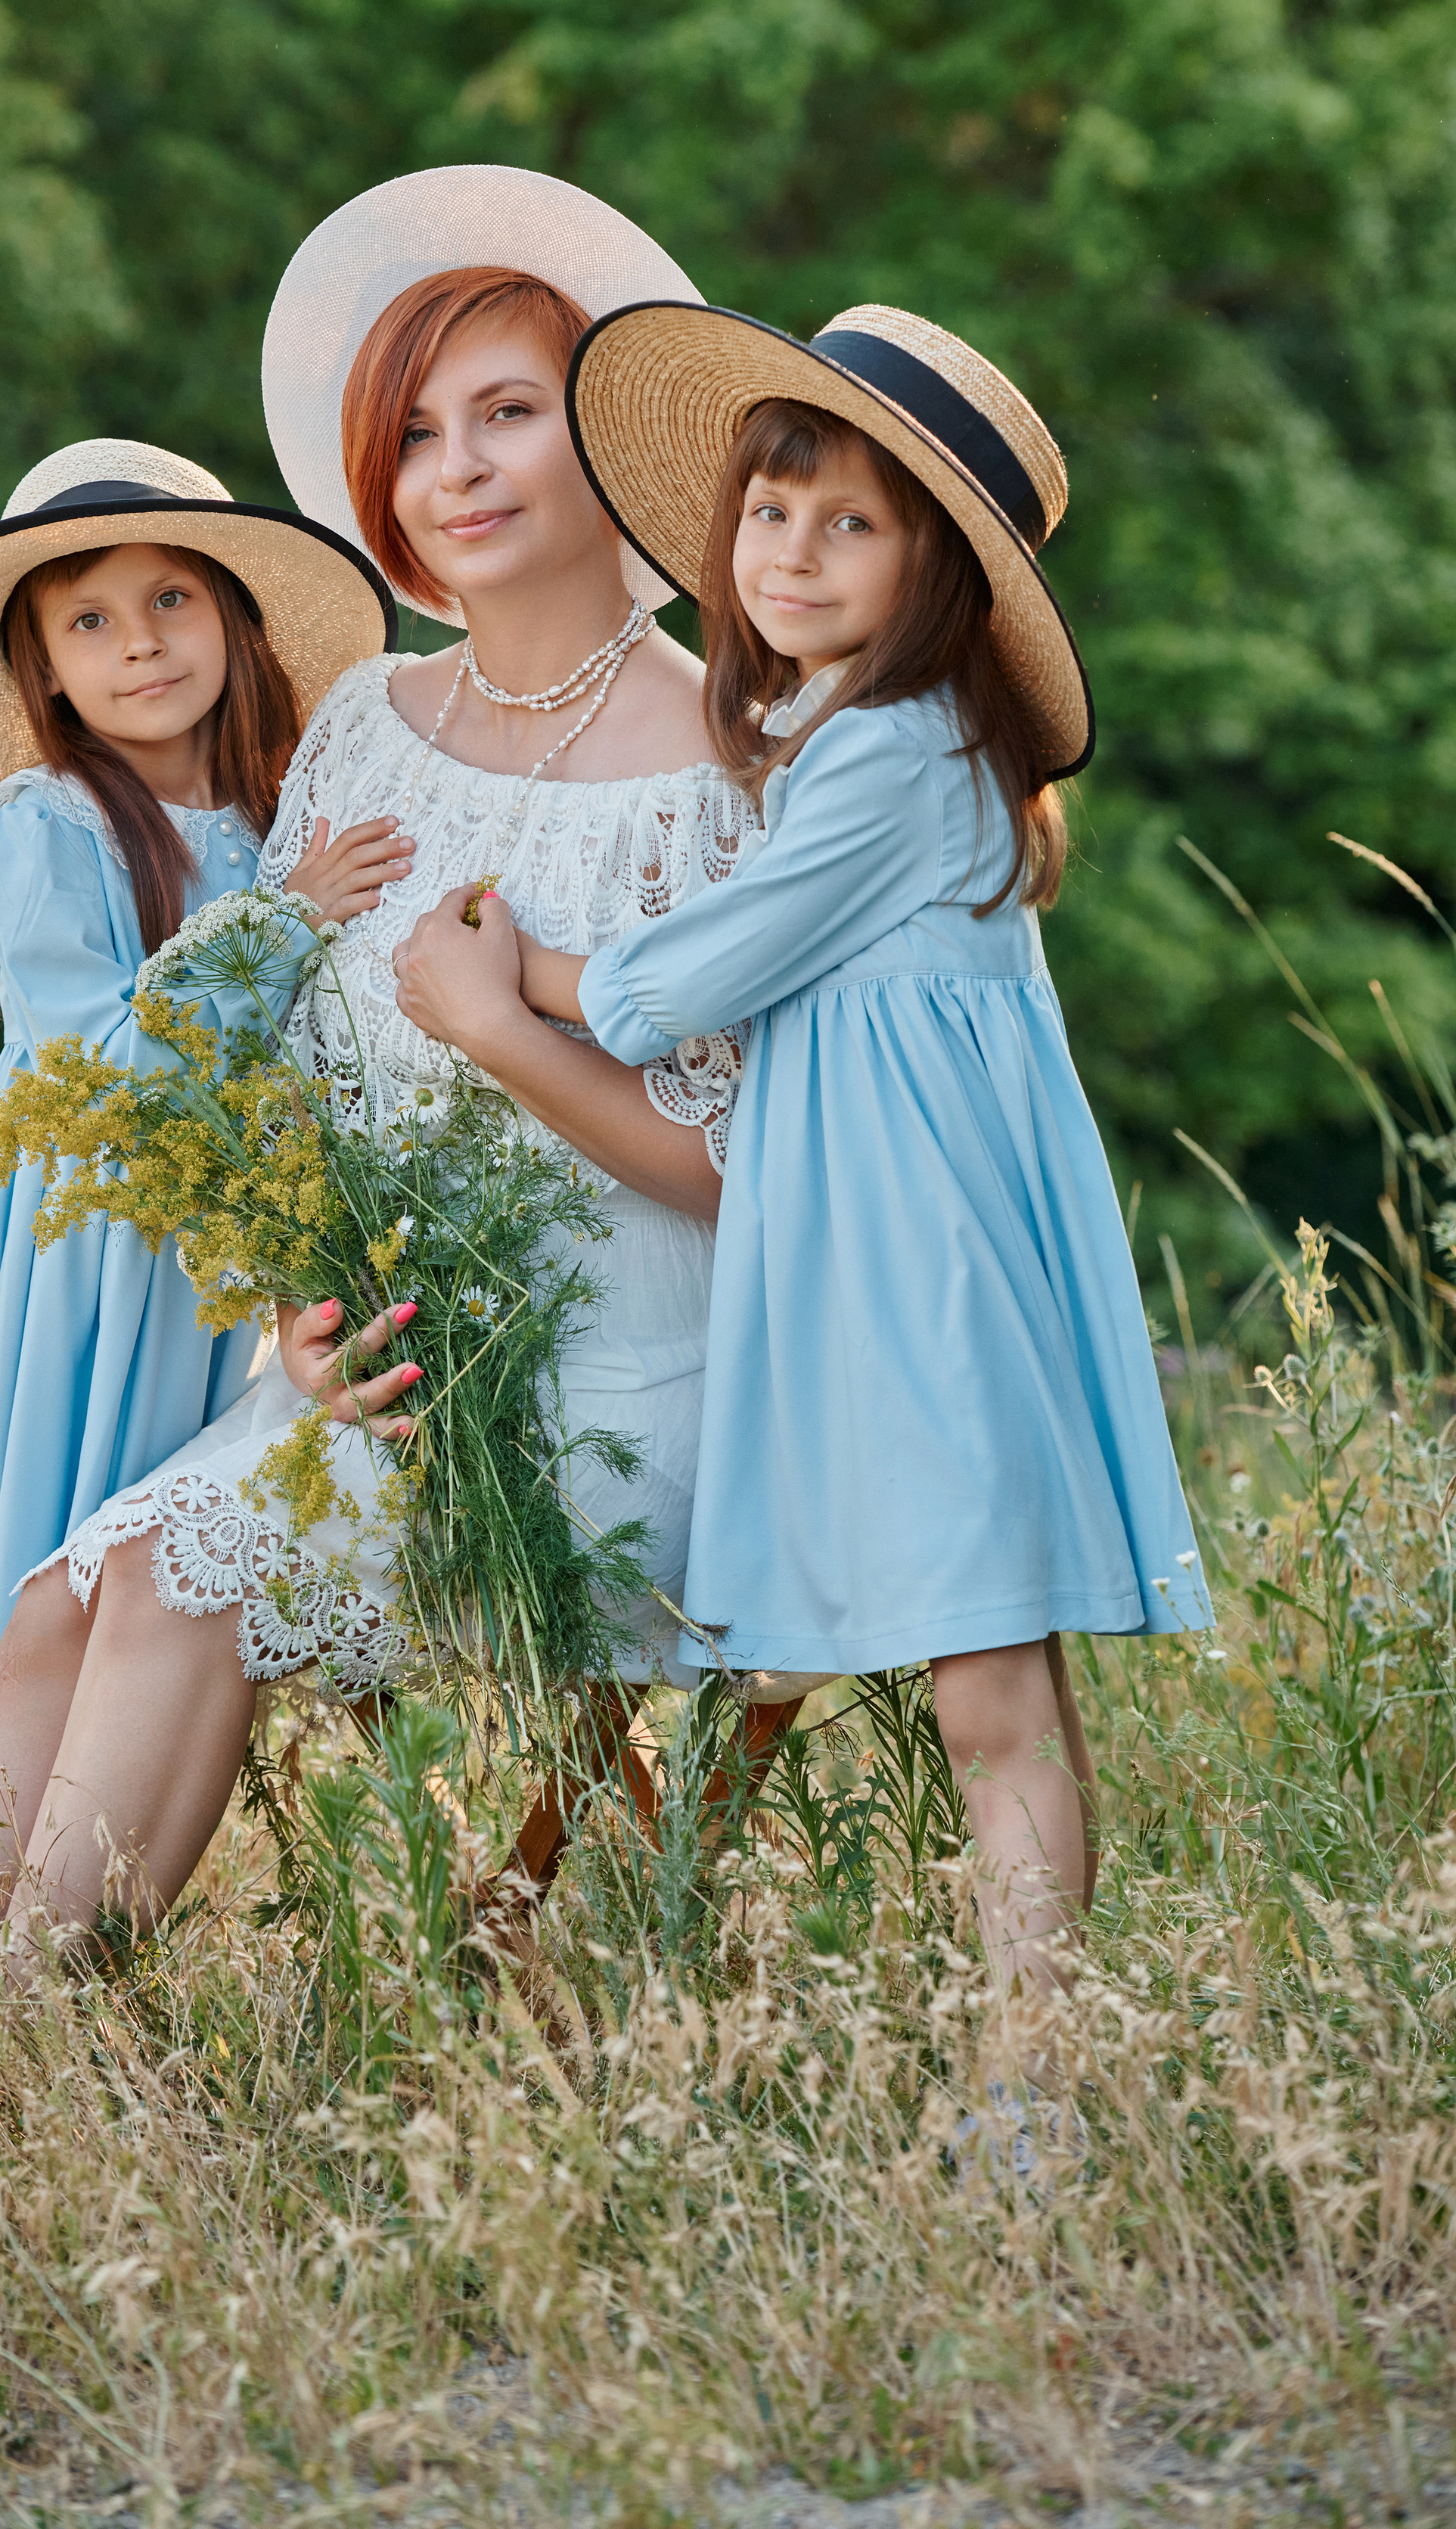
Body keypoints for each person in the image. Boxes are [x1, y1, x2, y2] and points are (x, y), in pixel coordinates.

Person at [0, 166, 765, 1955]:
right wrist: (295, 1296)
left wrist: (505, 1030)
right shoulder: (365, 725)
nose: (460, 466)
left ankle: (25, 2044)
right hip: (377, 1372)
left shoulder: (735, 758)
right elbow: (300, 1076)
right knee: (60, 1598)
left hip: (628, 1400)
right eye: (417, 434)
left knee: (154, 1581)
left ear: (604, 434)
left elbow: (755, 1183)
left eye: (508, 411)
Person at [396, 299, 1214, 2003]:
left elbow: (685, 977)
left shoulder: (896, 755)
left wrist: (512, 981)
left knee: (992, 1695)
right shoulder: (848, 738)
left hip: (919, 1273)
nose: (790, 551)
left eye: (850, 523)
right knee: (991, 1682)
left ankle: (1029, 2096)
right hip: (894, 1266)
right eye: (769, 512)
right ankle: (1010, 2053)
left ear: (933, 575)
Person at [0, 437, 402, 1856]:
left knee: (125, 1585)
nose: (138, 644)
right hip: (76, 1251)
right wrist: (286, 925)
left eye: (170, 602)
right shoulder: (50, 820)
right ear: (44, 665)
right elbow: (97, 1052)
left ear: (232, 618)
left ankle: (43, 1906)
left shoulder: (286, 830)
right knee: (4, 1550)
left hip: (211, 1272)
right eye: (89, 619)